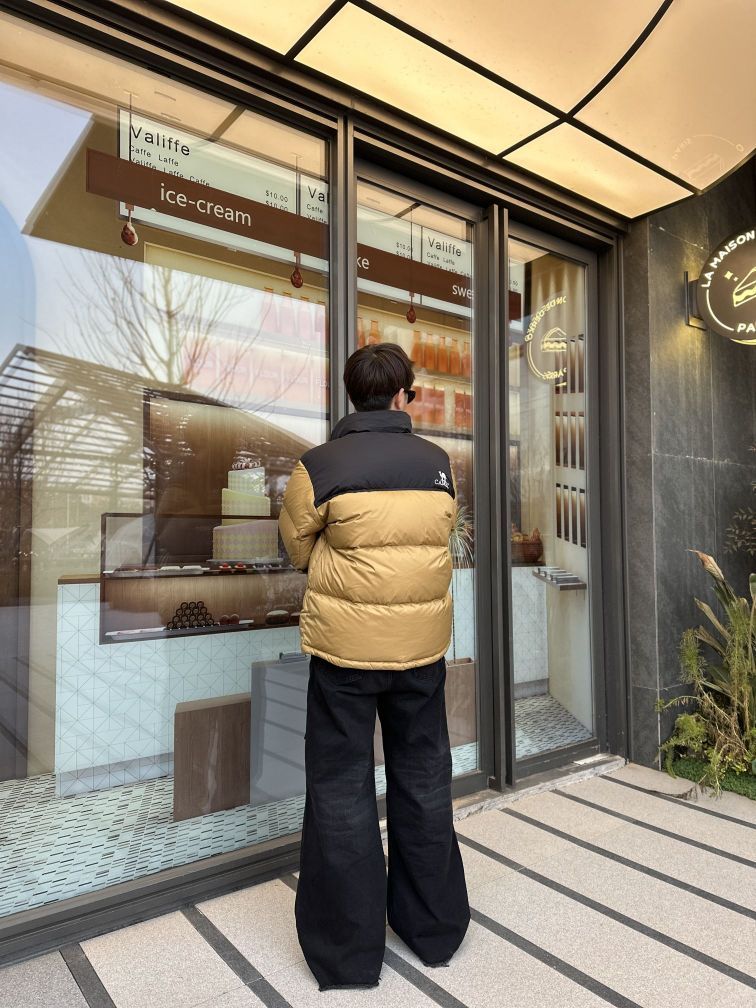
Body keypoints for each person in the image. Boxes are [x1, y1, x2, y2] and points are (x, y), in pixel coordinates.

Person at [278, 342, 470, 991]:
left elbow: (296, 548)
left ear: (351, 394)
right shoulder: (437, 463)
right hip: (421, 652)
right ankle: (433, 930)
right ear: (401, 394)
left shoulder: (318, 466)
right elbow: (436, 539)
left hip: (344, 652)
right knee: (425, 779)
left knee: (340, 788)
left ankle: (348, 955)